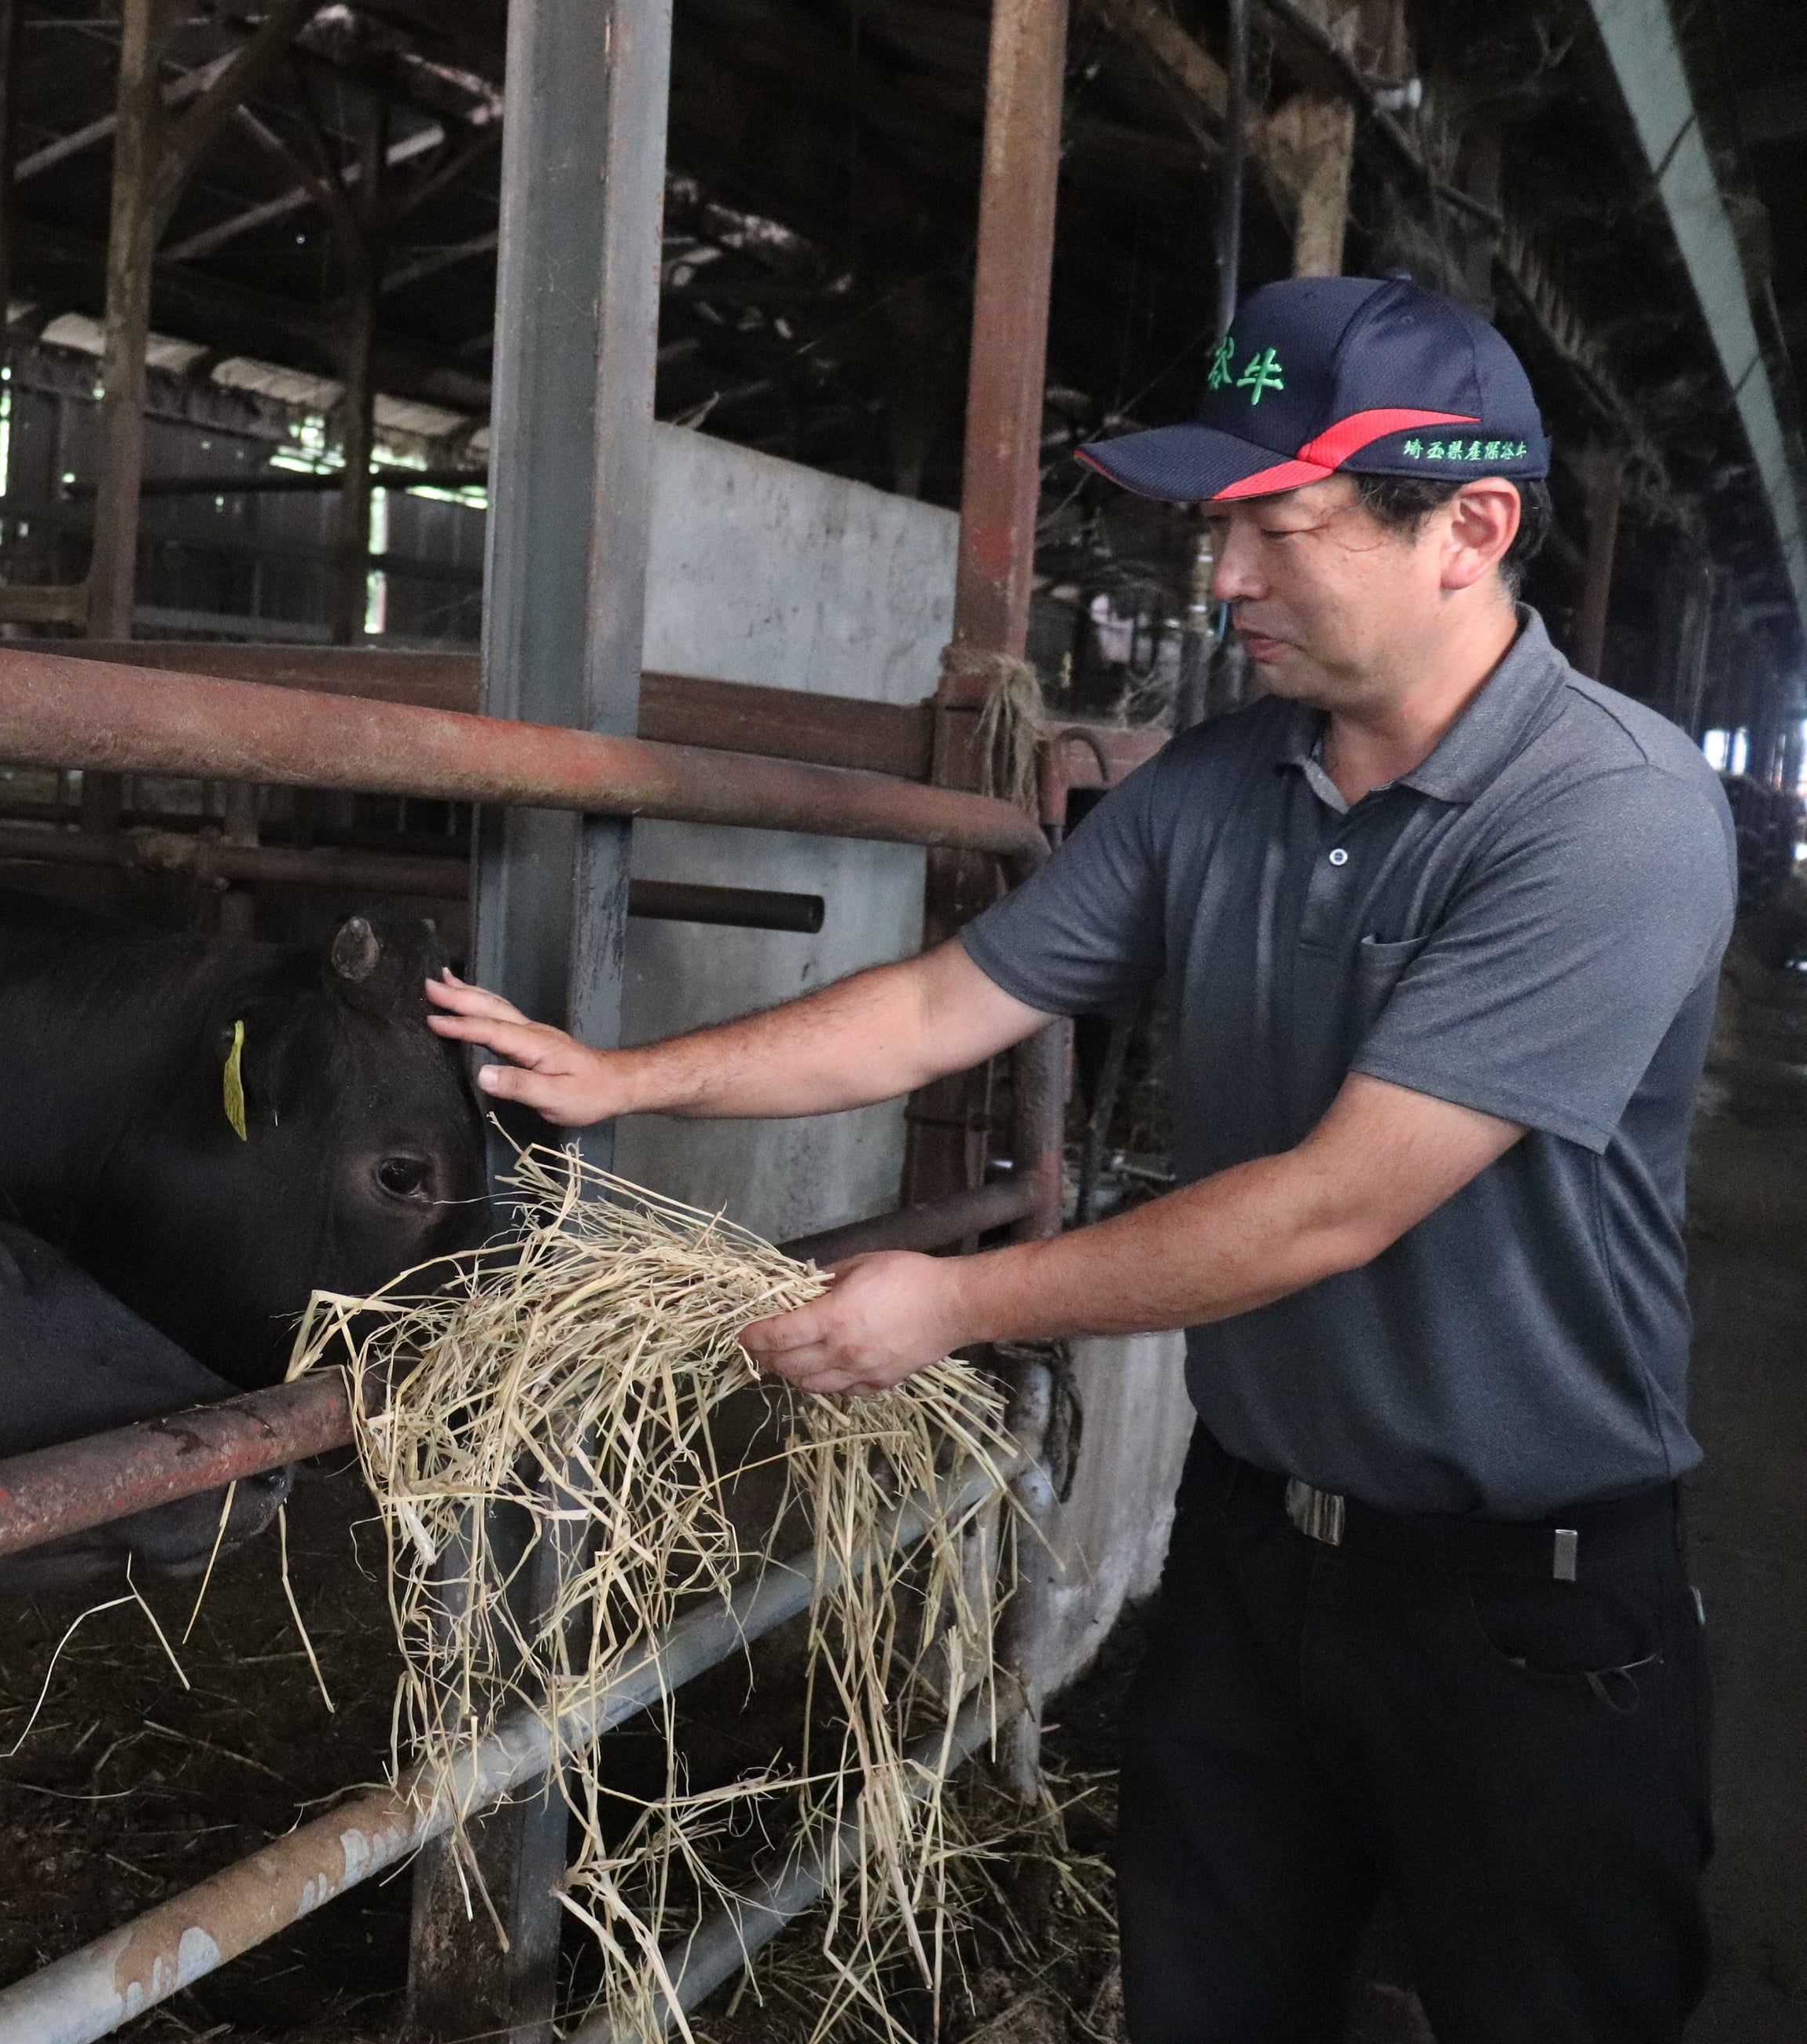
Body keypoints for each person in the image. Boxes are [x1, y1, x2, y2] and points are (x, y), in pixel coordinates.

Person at [427, 274, 1730, 2044]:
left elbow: (1332, 1204)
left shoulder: (1609, 813)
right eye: (1220, 530)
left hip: (1533, 1598)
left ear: (1470, 529)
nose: (1230, 580)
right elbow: (939, 1007)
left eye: (1281, 527)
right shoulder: (1222, 783)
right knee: (1207, 2001)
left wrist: (951, 1300)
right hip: (1260, 1544)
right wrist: (622, 1076)